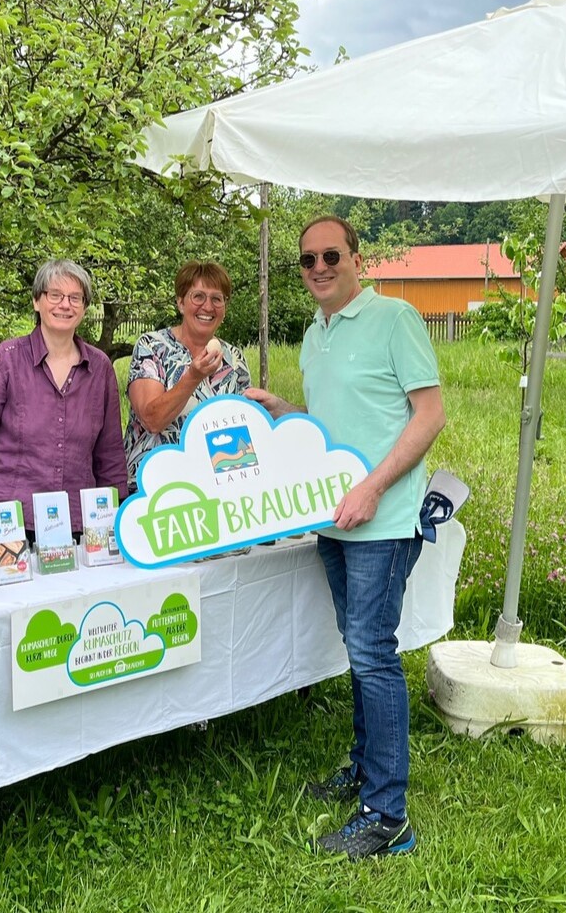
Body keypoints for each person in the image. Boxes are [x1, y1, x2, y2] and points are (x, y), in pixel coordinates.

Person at [244, 215, 445, 860]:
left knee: (373, 655)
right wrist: (287, 414)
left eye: (331, 254)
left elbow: (430, 415)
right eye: (307, 260)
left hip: (381, 522)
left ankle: (388, 816)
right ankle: (364, 768)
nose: (319, 267)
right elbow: (332, 427)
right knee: (360, 652)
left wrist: (373, 489)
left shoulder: (396, 319)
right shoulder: (314, 334)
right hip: (332, 520)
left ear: (356, 258)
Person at [0, 259, 127, 556]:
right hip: (7, 523)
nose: (65, 305)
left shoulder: (100, 368)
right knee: (8, 601)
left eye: (75, 298)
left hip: (79, 526)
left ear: (84, 308)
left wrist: (117, 525)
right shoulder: (5, 360)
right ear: (37, 301)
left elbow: (109, 456)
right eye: (54, 295)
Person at [123, 261, 251, 487]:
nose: (208, 307)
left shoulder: (234, 359)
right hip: (152, 487)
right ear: (181, 303)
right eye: (198, 296)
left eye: (217, 299)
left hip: (210, 490)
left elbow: (238, 436)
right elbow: (152, 419)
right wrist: (193, 376)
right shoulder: (152, 347)